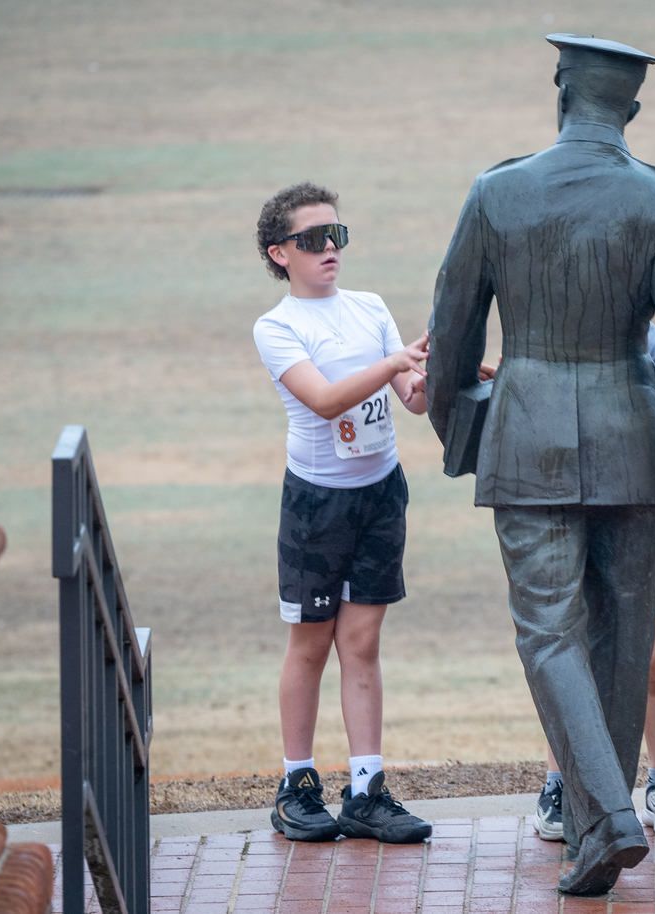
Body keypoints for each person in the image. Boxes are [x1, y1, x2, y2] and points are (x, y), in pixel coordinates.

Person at [426, 35, 655, 895]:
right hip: (631, 436)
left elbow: (451, 330)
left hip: (525, 437)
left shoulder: (496, 192)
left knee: (550, 631)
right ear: (631, 108)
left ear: (560, 93)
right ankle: (600, 824)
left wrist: (462, 429)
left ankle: (607, 819)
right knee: (624, 634)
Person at [252, 181, 432, 844]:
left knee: (362, 643)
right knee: (311, 644)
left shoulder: (369, 306)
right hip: (316, 503)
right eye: (312, 238)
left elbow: (412, 398)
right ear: (280, 253)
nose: (329, 247)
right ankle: (297, 785)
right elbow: (325, 400)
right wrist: (393, 362)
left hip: (382, 493)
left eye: (337, 234)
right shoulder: (277, 327)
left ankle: (366, 792)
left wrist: (438, 371)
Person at [535, 323, 655, 841]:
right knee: (569, 660)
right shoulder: (551, 337)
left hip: (642, 528)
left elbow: (654, 433)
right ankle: (559, 785)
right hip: (569, 526)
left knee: (650, 662)